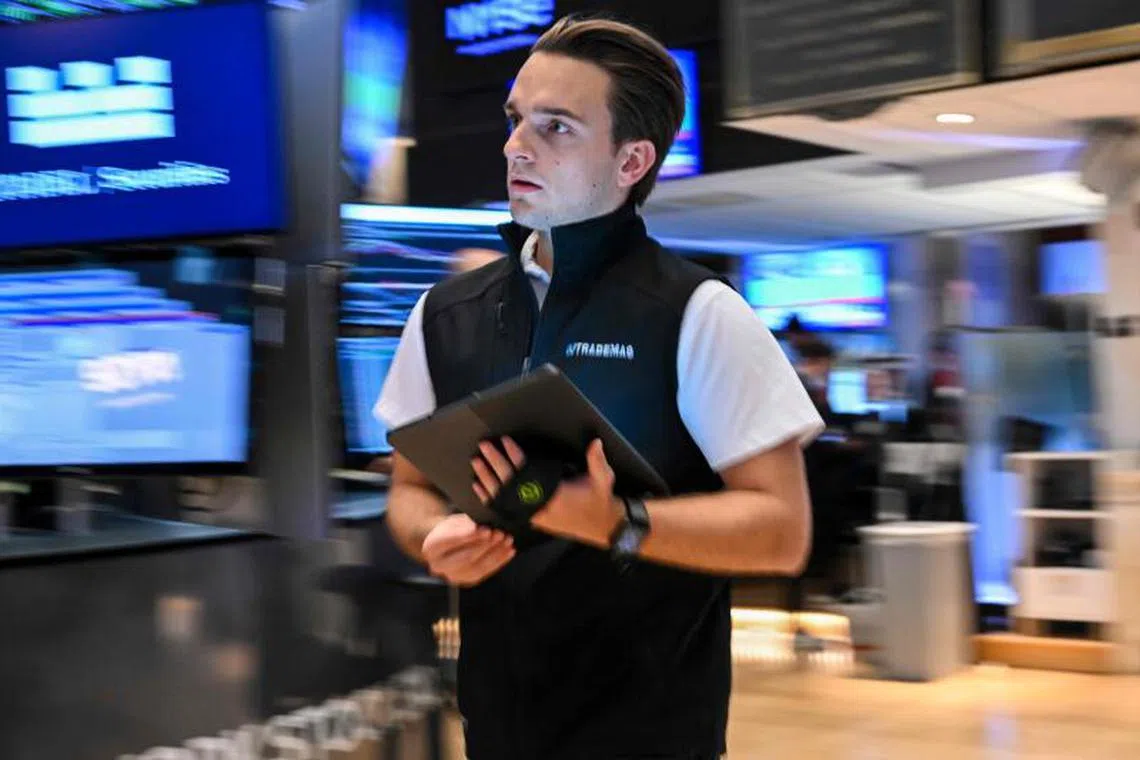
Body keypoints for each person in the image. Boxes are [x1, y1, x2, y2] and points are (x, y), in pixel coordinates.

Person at [374, 15, 823, 760]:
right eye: (516, 119)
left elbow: (783, 531)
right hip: (496, 731)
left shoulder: (698, 312)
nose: (516, 146)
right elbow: (409, 489)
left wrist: (620, 523)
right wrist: (432, 537)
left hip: (652, 735)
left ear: (631, 160)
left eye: (556, 127)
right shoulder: (445, 314)